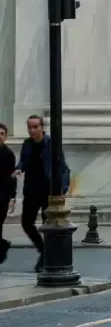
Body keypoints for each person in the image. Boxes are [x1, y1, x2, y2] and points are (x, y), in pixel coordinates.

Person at [13, 115, 70, 272]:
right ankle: (43, 250)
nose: (32, 130)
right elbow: (23, 160)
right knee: (26, 222)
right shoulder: (27, 144)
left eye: (35, 127)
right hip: (31, 189)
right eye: (29, 127)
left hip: (48, 191)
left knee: (48, 224)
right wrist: (19, 168)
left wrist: (62, 189)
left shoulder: (52, 143)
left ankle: (46, 258)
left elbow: (63, 167)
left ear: (42, 127)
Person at [0, 123, 16, 263]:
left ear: (5, 137)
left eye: (2, 134)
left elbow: (12, 177)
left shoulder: (9, 154)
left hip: (2, 195)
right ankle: (2, 247)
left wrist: (13, 197)